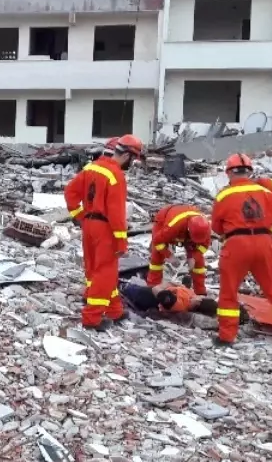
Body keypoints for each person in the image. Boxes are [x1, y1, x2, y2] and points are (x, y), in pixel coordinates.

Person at [211, 153, 272, 347]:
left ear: (229, 173)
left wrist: (232, 235)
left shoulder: (224, 195)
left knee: (229, 292)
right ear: (250, 172)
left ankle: (226, 337)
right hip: (264, 243)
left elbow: (216, 226)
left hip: (236, 244)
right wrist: (265, 235)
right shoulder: (264, 192)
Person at [63, 135, 143, 331]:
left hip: (89, 225)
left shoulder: (92, 167)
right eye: (133, 160)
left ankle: (114, 310)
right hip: (105, 228)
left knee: (94, 269)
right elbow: (116, 213)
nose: (131, 164)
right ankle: (92, 318)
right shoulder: (115, 175)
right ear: (127, 156)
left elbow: (70, 192)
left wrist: (79, 215)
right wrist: (121, 241)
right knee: (105, 272)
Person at [145, 205, 212, 295]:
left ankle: (200, 293)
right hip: (163, 221)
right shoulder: (173, 226)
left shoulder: (205, 228)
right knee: (157, 257)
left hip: (186, 233)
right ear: (189, 230)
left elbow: (204, 246)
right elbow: (157, 242)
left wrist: (193, 257)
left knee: (199, 263)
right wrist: (169, 255)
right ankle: (152, 289)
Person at [120, 280, 218, 317]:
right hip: (144, 290)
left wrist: (166, 284)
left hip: (140, 295)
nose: (201, 295)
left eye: (202, 297)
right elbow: (175, 284)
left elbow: (156, 289)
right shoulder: (191, 295)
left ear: (198, 302)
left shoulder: (178, 304)